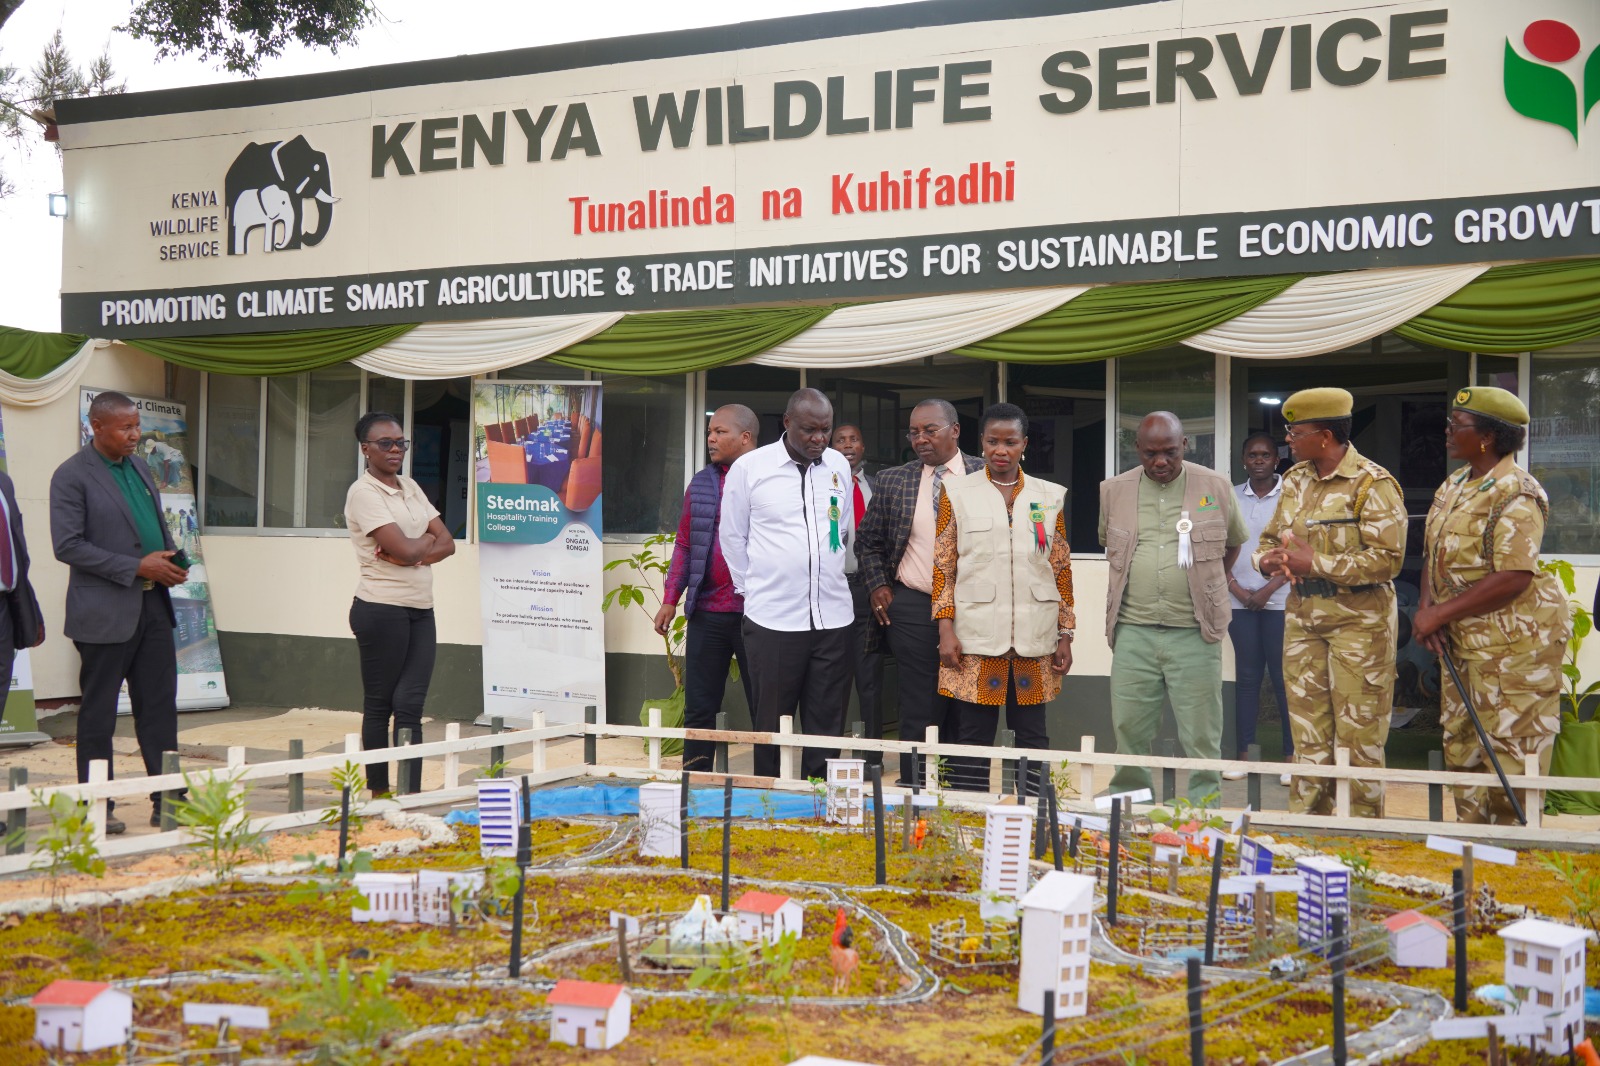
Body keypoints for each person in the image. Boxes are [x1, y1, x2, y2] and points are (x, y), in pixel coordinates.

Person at [1414, 387, 1570, 824]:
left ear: (1486, 437)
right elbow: (1434, 551)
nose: (1447, 431)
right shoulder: (1456, 483)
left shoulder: (1517, 493)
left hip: (1513, 651)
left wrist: (1438, 614)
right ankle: (1474, 848)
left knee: (1511, 754)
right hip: (1463, 643)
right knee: (1462, 747)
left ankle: (1514, 855)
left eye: (1456, 425)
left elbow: (1513, 576)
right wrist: (1427, 610)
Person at [1257, 388, 1406, 819]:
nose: (1288, 438)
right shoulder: (1297, 480)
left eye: (1295, 431)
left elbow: (1388, 560)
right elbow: (1271, 539)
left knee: (1358, 738)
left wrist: (1315, 561)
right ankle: (1307, 832)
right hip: (1304, 620)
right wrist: (1265, 559)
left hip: (1359, 626)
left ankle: (1361, 836)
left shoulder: (1372, 484)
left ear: (1324, 436)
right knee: (1308, 736)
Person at [51, 391, 187, 834]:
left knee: (160, 707)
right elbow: (68, 546)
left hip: (152, 604)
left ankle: (168, 800)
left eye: (137, 425)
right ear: (97, 426)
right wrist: (135, 566)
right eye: (126, 427)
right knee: (98, 712)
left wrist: (166, 560)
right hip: (104, 611)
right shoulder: (72, 476)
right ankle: (97, 806)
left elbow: (143, 527)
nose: (136, 434)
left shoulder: (141, 465)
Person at [1100, 412, 1247, 805]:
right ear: (1137, 450)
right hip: (1133, 630)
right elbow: (1110, 545)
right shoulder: (1113, 490)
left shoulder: (1214, 486)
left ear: (1185, 445)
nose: (1160, 462)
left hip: (1195, 632)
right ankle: (1131, 807)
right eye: (1150, 454)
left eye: (1169, 452)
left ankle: (1202, 811)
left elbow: (1233, 543)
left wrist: (1207, 584)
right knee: (1129, 727)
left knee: (1201, 732)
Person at [933, 403, 1074, 793]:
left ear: (1023, 444)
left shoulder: (1049, 497)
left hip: (1036, 638)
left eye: (1010, 442)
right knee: (973, 736)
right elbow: (943, 566)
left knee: (1033, 735)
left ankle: (1032, 814)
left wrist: (1066, 634)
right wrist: (946, 629)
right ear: (981, 442)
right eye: (993, 441)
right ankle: (969, 813)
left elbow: (1059, 568)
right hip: (975, 636)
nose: (1001, 450)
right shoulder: (956, 492)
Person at [720, 388, 854, 780]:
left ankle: (818, 800)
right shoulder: (750, 468)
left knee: (827, 724)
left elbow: (840, 527)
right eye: (810, 430)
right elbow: (732, 538)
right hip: (774, 620)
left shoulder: (837, 466)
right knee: (773, 725)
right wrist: (758, 587)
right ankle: (770, 800)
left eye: (825, 430)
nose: (819, 439)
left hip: (833, 617)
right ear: (787, 423)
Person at [855, 399, 983, 786]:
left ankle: (965, 785)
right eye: (914, 432)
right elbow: (868, 541)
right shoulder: (896, 479)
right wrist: (878, 584)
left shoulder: (985, 472)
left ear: (955, 430)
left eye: (930, 429)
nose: (920, 438)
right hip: (912, 606)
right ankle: (914, 783)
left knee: (968, 697)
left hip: (973, 605)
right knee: (918, 699)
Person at [344, 411, 455, 797]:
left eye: (400, 443)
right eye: (385, 444)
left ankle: (409, 794)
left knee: (410, 704)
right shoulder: (364, 494)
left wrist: (416, 553)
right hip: (380, 608)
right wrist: (420, 548)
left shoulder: (409, 486)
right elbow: (413, 546)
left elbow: (448, 542)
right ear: (365, 449)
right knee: (380, 705)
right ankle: (379, 792)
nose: (395, 450)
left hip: (421, 608)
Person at [655, 404, 761, 774]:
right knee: (700, 705)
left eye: (720, 432)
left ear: (745, 437)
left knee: (763, 706)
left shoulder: (769, 479)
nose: (711, 438)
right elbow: (685, 543)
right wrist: (671, 598)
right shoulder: (701, 481)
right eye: (709, 432)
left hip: (758, 614)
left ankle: (770, 784)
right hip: (707, 612)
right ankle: (695, 781)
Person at [1225, 432, 1293, 785]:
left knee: (1283, 680)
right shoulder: (1232, 496)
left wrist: (1267, 589)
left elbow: (1300, 550)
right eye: (1252, 455)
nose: (1259, 460)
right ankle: (1244, 757)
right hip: (1239, 602)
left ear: (1276, 460)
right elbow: (1222, 550)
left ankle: (1290, 760)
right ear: (1243, 460)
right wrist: (1236, 588)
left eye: (1265, 454)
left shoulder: (1292, 496)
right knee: (1248, 680)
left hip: (1280, 601)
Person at [832, 422, 883, 764]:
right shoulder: (821, 484)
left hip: (868, 590)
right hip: (833, 589)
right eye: (841, 440)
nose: (848, 445)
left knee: (870, 677)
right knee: (832, 676)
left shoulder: (876, 485)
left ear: (863, 446)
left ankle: (873, 757)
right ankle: (827, 756)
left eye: (855, 439)